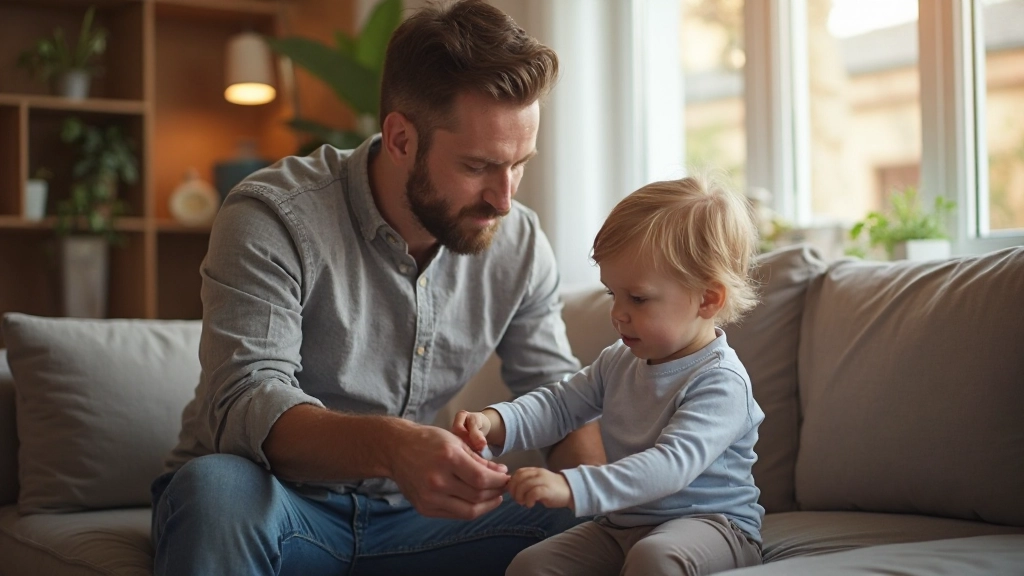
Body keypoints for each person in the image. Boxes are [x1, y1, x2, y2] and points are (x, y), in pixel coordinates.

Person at [150, 1, 605, 574]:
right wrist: (395, 446)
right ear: (400, 139)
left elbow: (558, 396)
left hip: (420, 523)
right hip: (280, 506)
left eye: (519, 164)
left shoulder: (517, 240)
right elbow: (246, 400)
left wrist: (590, 498)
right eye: (477, 166)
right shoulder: (273, 217)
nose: (504, 198)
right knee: (216, 493)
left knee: (595, 514)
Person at [452, 176, 766, 576]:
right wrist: (495, 422)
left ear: (708, 298)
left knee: (656, 558)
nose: (618, 313)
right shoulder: (619, 360)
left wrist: (573, 486)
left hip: (714, 529)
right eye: (611, 294)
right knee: (531, 565)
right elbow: (559, 405)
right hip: (623, 525)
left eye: (637, 298)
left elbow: (671, 465)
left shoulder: (721, 382)